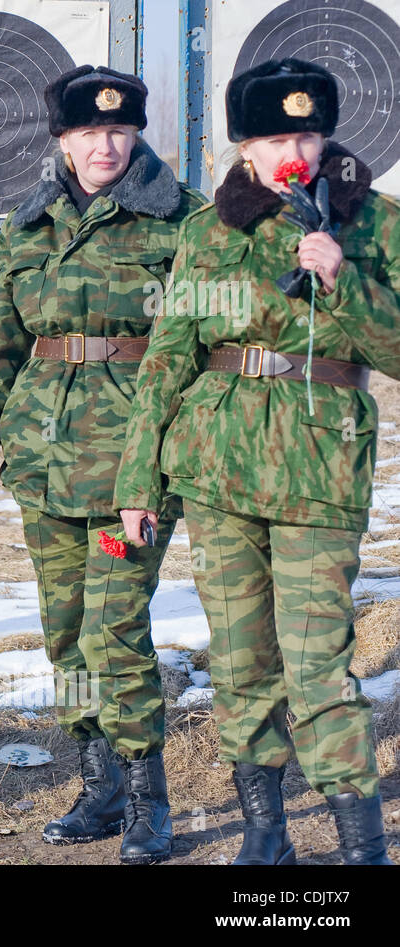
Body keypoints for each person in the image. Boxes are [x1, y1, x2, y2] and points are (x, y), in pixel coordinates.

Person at [117, 58, 397, 865]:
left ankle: (360, 847)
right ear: (244, 147)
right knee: (240, 658)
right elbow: (168, 358)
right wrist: (139, 479)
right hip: (218, 470)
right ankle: (264, 834)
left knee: (319, 664)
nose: (295, 151)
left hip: (319, 471)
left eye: (308, 133)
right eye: (277, 136)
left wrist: (343, 279)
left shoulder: (375, 224)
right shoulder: (210, 233)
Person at [0, 66, 206, 863]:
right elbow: (0, 336)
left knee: (115, 629)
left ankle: (147, 802)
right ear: (60, 137)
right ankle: (98, 785)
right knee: (66, 635)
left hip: (135, 461)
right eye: (89, 131)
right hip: (43, 456)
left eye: (121, 130)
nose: (107, 144)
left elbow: (198, 348)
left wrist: (168, 458)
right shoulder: (31, 223)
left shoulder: (184, 221)